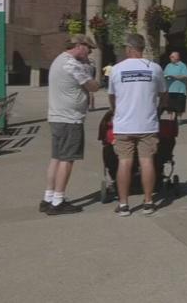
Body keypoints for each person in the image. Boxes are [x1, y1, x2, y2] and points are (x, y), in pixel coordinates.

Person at [40, 34, 101, 215]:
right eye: (88, 49)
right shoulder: (72, 64)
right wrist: (91, 72)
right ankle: (58, 201)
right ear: (80, 46)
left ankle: (48, 196)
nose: (89, 53)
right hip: (70, 118)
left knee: (56, 158)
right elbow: (93, 86)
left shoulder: (60, 60)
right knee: (67, 159)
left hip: (57, 116)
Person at [108, 34, 168, 216]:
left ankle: (124, 204)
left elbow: (112, 97)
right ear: (142, 49)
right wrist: (157, 110)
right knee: (147, 161)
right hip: (147, 123)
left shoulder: (116, 69)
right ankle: (149, 202)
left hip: (124, 124)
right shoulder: (155, 68)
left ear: (129, 48)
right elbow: (164, 94)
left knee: (124, 162)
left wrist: (115, 112)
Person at [163, 51, 187, 120]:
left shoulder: (183, 65)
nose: (170, 58)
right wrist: (166, 76)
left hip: (180, 90)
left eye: (172, 56)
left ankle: (178, 119)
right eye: (170, 56)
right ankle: (170, 119)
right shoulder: (168, 65)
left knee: (179, 106)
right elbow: (164, 74)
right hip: (170, 89)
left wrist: (175, 77)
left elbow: (185, 76)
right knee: (170, 106)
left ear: (177, 57)